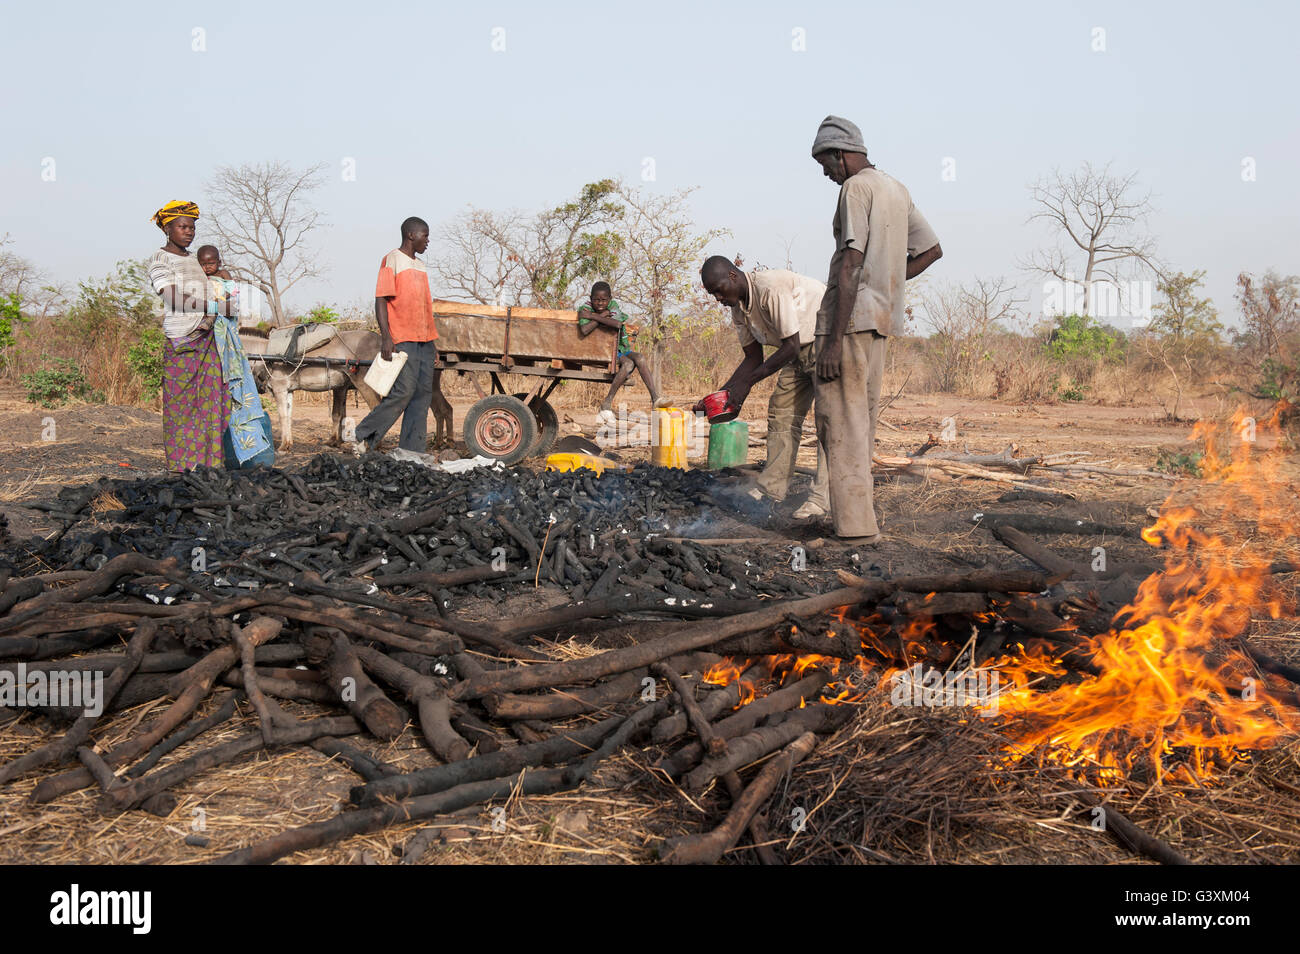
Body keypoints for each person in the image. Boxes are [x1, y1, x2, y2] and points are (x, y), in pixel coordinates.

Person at [811, 116, 943, 544]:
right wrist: (887, 280)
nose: (826, 174)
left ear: (840, 154)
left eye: (825, 164)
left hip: (848, 325)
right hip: (880, 323)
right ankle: (858, 518)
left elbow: (851, 261)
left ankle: (853, 529)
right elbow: (932, 250)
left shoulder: (856, 188)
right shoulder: (896, 189)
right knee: (861, 421)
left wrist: (832, 340)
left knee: (840, 421)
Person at [697, 257, 829, 518]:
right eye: (713, 294)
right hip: (796, 351)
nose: (717, 298)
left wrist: (745, 386)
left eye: (719, 289)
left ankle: (821, 498)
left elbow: (790, 344)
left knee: (829, 420)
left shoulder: (769, 288)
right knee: (781, 411)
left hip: (826, 343)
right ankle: (772, 490)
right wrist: (720, 396)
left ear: (733, 276)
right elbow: (752, 358)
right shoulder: (738, 309)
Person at [147, 201, 241, 472]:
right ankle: (181, 467)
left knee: (212, 404)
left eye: (192, 227)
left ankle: (210, 466)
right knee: (182, 405)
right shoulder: (161, 259)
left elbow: (217, 285)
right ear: (167, 229)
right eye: (182, 226)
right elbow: (170, 295)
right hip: (183, 340)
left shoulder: (195, 259)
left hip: (209, 338)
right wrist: (214, 307)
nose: (189, 232)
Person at [353, 216, 438, 454]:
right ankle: (362, 435)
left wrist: (433, 342)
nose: (428, 240)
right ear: (411, 235)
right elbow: (381, 300)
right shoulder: (392, 260)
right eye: (425, 235)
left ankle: (413, 451)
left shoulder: (421, 266)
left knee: (422, 396)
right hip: (402, 338)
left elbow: (425, 307)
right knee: (403, 392)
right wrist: (386, 337)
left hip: (425, 341)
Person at [577, 282, 661, 421]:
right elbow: (585, 330)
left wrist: (594, 317)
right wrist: (604, 316)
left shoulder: (612, 306)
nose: (600, 303)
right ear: (591, 298)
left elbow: (617, 324)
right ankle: (607, 402)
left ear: (609, 299)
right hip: (602, 350)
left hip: (620, 348)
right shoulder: (584, 307)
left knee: (639, 357)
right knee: (628, 365)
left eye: (604, 300)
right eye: (596, 300)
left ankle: (655, 398)